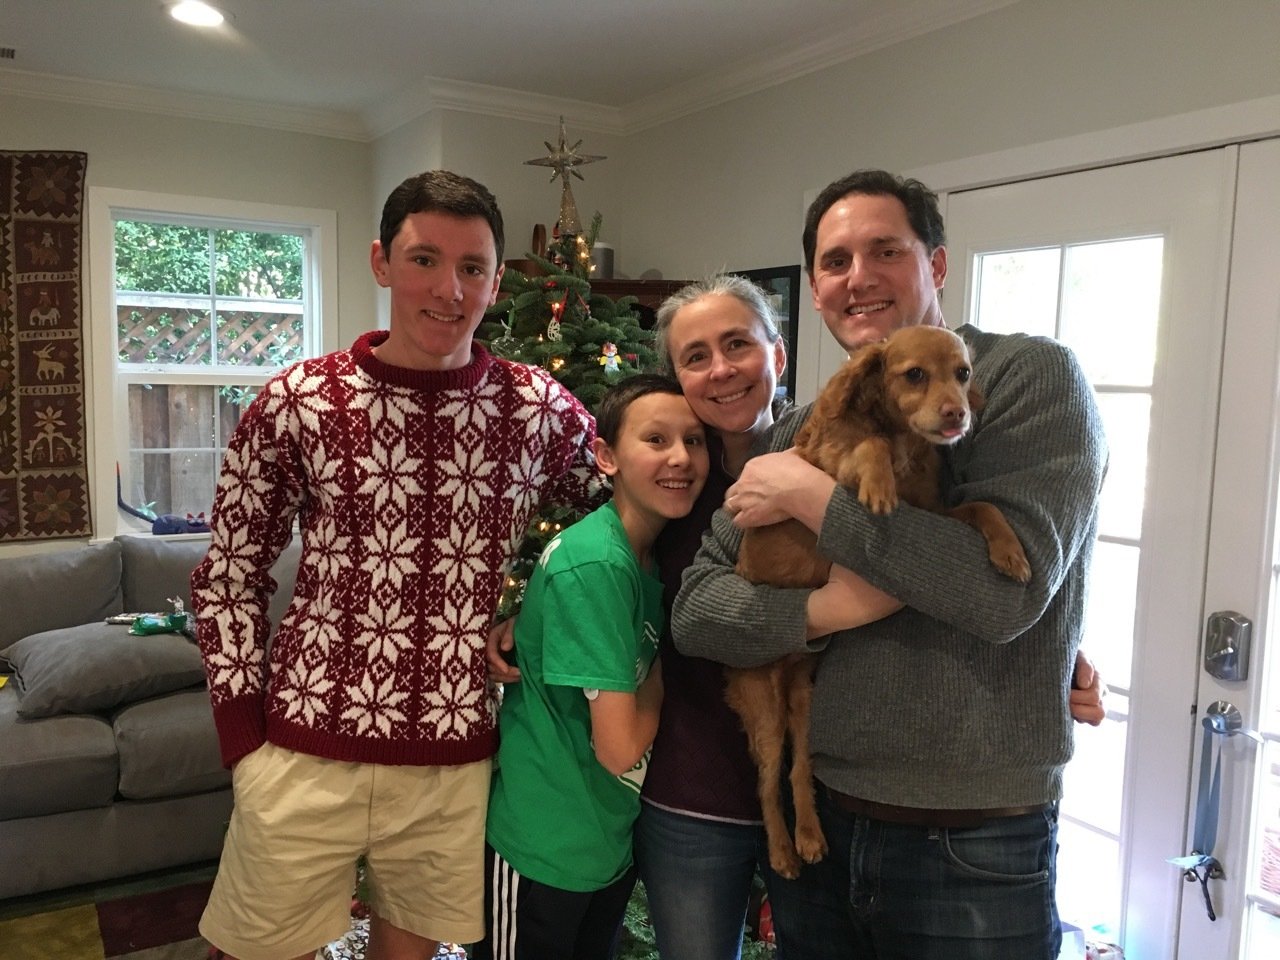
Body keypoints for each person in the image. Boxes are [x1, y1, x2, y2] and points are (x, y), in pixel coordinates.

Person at [489, 273, 1107, 959]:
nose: (721, 370)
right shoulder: (669, 483)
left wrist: (1056, 658)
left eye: (737, 344)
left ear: (777, 354)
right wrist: (524, 619)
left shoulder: (814, 444)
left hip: (818, 783)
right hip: (693, 788)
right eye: (696, 357)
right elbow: (622, 584)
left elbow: (949, 567)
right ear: (677, 377)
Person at [671, 169, 1108, 960]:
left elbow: (1001, 596)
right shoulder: (807, 423)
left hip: (970, 839)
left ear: (935, 264)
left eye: (885, 251)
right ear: (815, 289)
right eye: (835, 262)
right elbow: (697, 610)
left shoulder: (1029, 379)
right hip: (823, 817)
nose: (858, 278)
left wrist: (811, 496)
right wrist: (821, 612)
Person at [191, 170, 605, 960]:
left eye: (473, 267)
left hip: (453, 760)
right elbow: (229, 574)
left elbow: (619, 523)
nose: (450, 290)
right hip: (303, 748)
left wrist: (533, 614)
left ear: (496, 281)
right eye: (424, 260)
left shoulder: (540, 410)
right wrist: (242, 736)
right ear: (382, 262)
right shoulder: (299, 401)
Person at [475, 373, 709, 960]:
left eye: (694, 440)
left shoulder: (647, 555)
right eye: (655, 439)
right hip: (544, 846)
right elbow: (619, 748)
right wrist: (667, 668)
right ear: (607, 457)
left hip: (603, 843)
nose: (680, 457)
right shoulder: (597, 563)